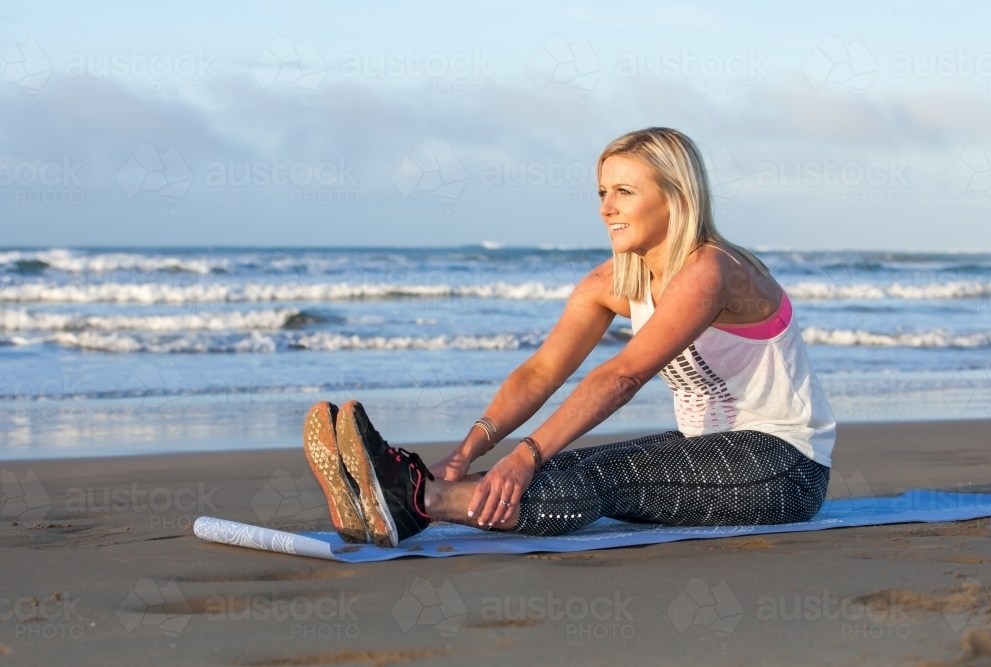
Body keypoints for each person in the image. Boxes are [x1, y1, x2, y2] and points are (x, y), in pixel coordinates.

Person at [303, 127, 836, 548]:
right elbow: (540, 373)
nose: (606, 207)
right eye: (603, 192)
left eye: (625, 192)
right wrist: (467, 453)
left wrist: (527, 453)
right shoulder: (611, 283)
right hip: (709, 455)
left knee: (594, 473)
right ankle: (408, 494)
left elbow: (623, 376)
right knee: (561, 466)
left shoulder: (713, 271)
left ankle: (414, 499)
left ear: (676, 197)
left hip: (784, 467)